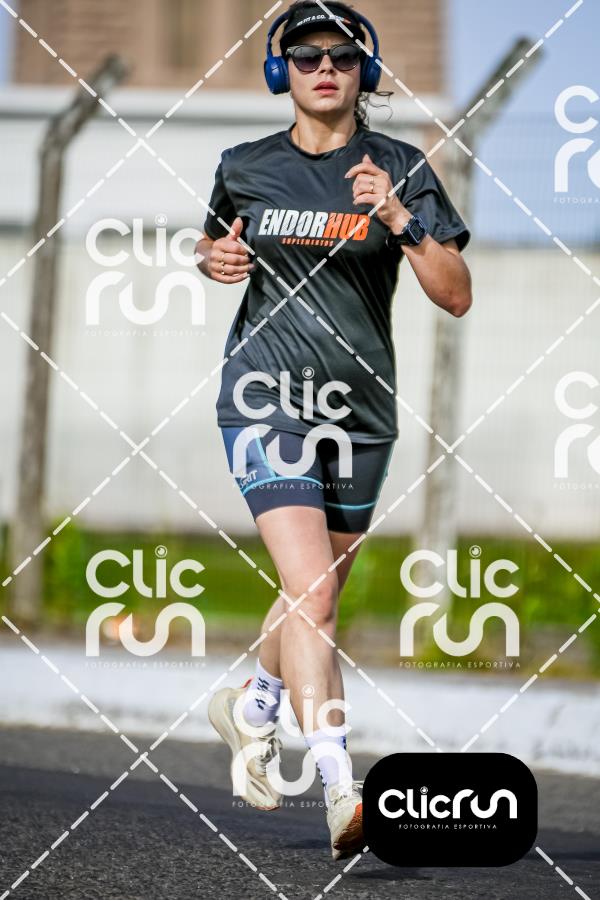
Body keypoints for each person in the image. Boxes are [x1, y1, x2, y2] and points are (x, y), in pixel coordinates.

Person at [197, 0, 472, 860]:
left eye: (343, 55)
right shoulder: (244, 166)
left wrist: (400, 220)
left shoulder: (401, 166)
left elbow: (456, 292)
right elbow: (212, 245)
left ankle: (252, 706)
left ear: (366, 71)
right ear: (281, 70)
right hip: (264, 397)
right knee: (313, 593)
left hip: (360, 414)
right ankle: (340, 787)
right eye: (307, 54)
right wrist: (209, 259)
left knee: (311, 595)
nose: (325, 67)